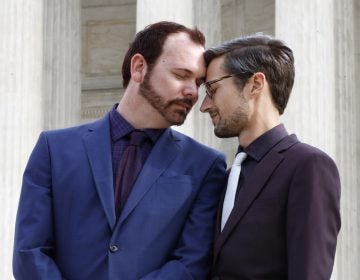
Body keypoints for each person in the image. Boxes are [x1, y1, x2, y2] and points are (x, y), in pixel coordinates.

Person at [13, 21, 227, 280]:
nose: (193, 92)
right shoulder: (54, 149)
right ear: (139, 68)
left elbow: (191, 262)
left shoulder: (205, 165)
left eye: (199, 82)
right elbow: (30, 252)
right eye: (181, 75)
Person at [200, 34, 341, 280]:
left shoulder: (308, 166)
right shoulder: (227, 176)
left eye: (212, 89)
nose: (204, 104)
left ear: (255, 84)